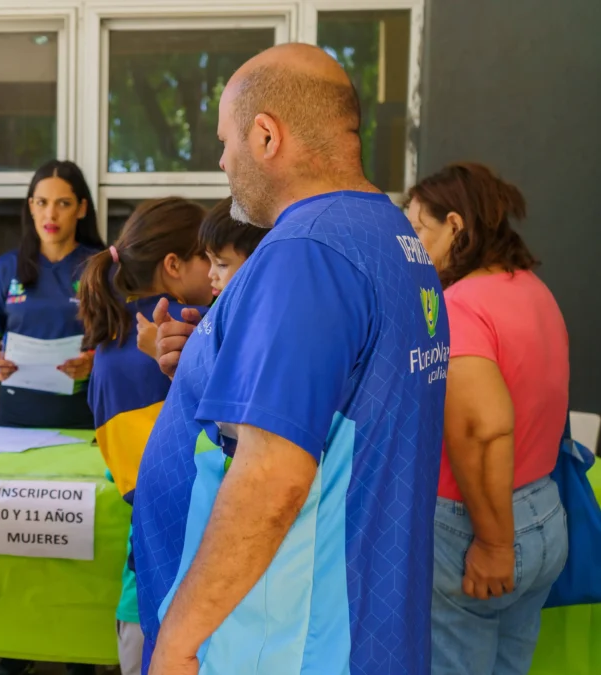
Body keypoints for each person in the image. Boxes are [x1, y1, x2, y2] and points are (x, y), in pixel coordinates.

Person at [133, 43, 447, 675]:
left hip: (280, 644)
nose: (221, 162)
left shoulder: (306, 251)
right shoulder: (389, 234)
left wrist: (179, 639)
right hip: (357, 623)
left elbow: (271, 478)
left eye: (225, 142)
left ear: (266, 136)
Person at [405, 163, 569, 675]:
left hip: (478, 530)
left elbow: (483, 428)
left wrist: (495, 545)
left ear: (455, 225)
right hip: (542, 511)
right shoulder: (532, 290)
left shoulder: (460, 306)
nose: (408, 243)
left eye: (417, 228)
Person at [78, 197, 214, 675]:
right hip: (182, 572)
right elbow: (157, 483)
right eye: (212, 258)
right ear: (174, 265)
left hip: (154, 570)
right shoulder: (184, 333)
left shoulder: (113, 345)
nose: (221, 273)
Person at [0, 159, 105, 432]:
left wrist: (93, 360)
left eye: (63, 203)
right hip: (15, 417)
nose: (51, 214)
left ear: (81, 209)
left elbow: (122, 338)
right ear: (31, 206)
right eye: (42, 203)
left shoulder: (101, 269)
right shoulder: (6, 268)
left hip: (85, 414)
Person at [134, 197, 267, 360]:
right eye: (207, 260)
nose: (211, 273)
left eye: (222, 264)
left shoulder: (256, 323)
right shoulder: (218, 315)